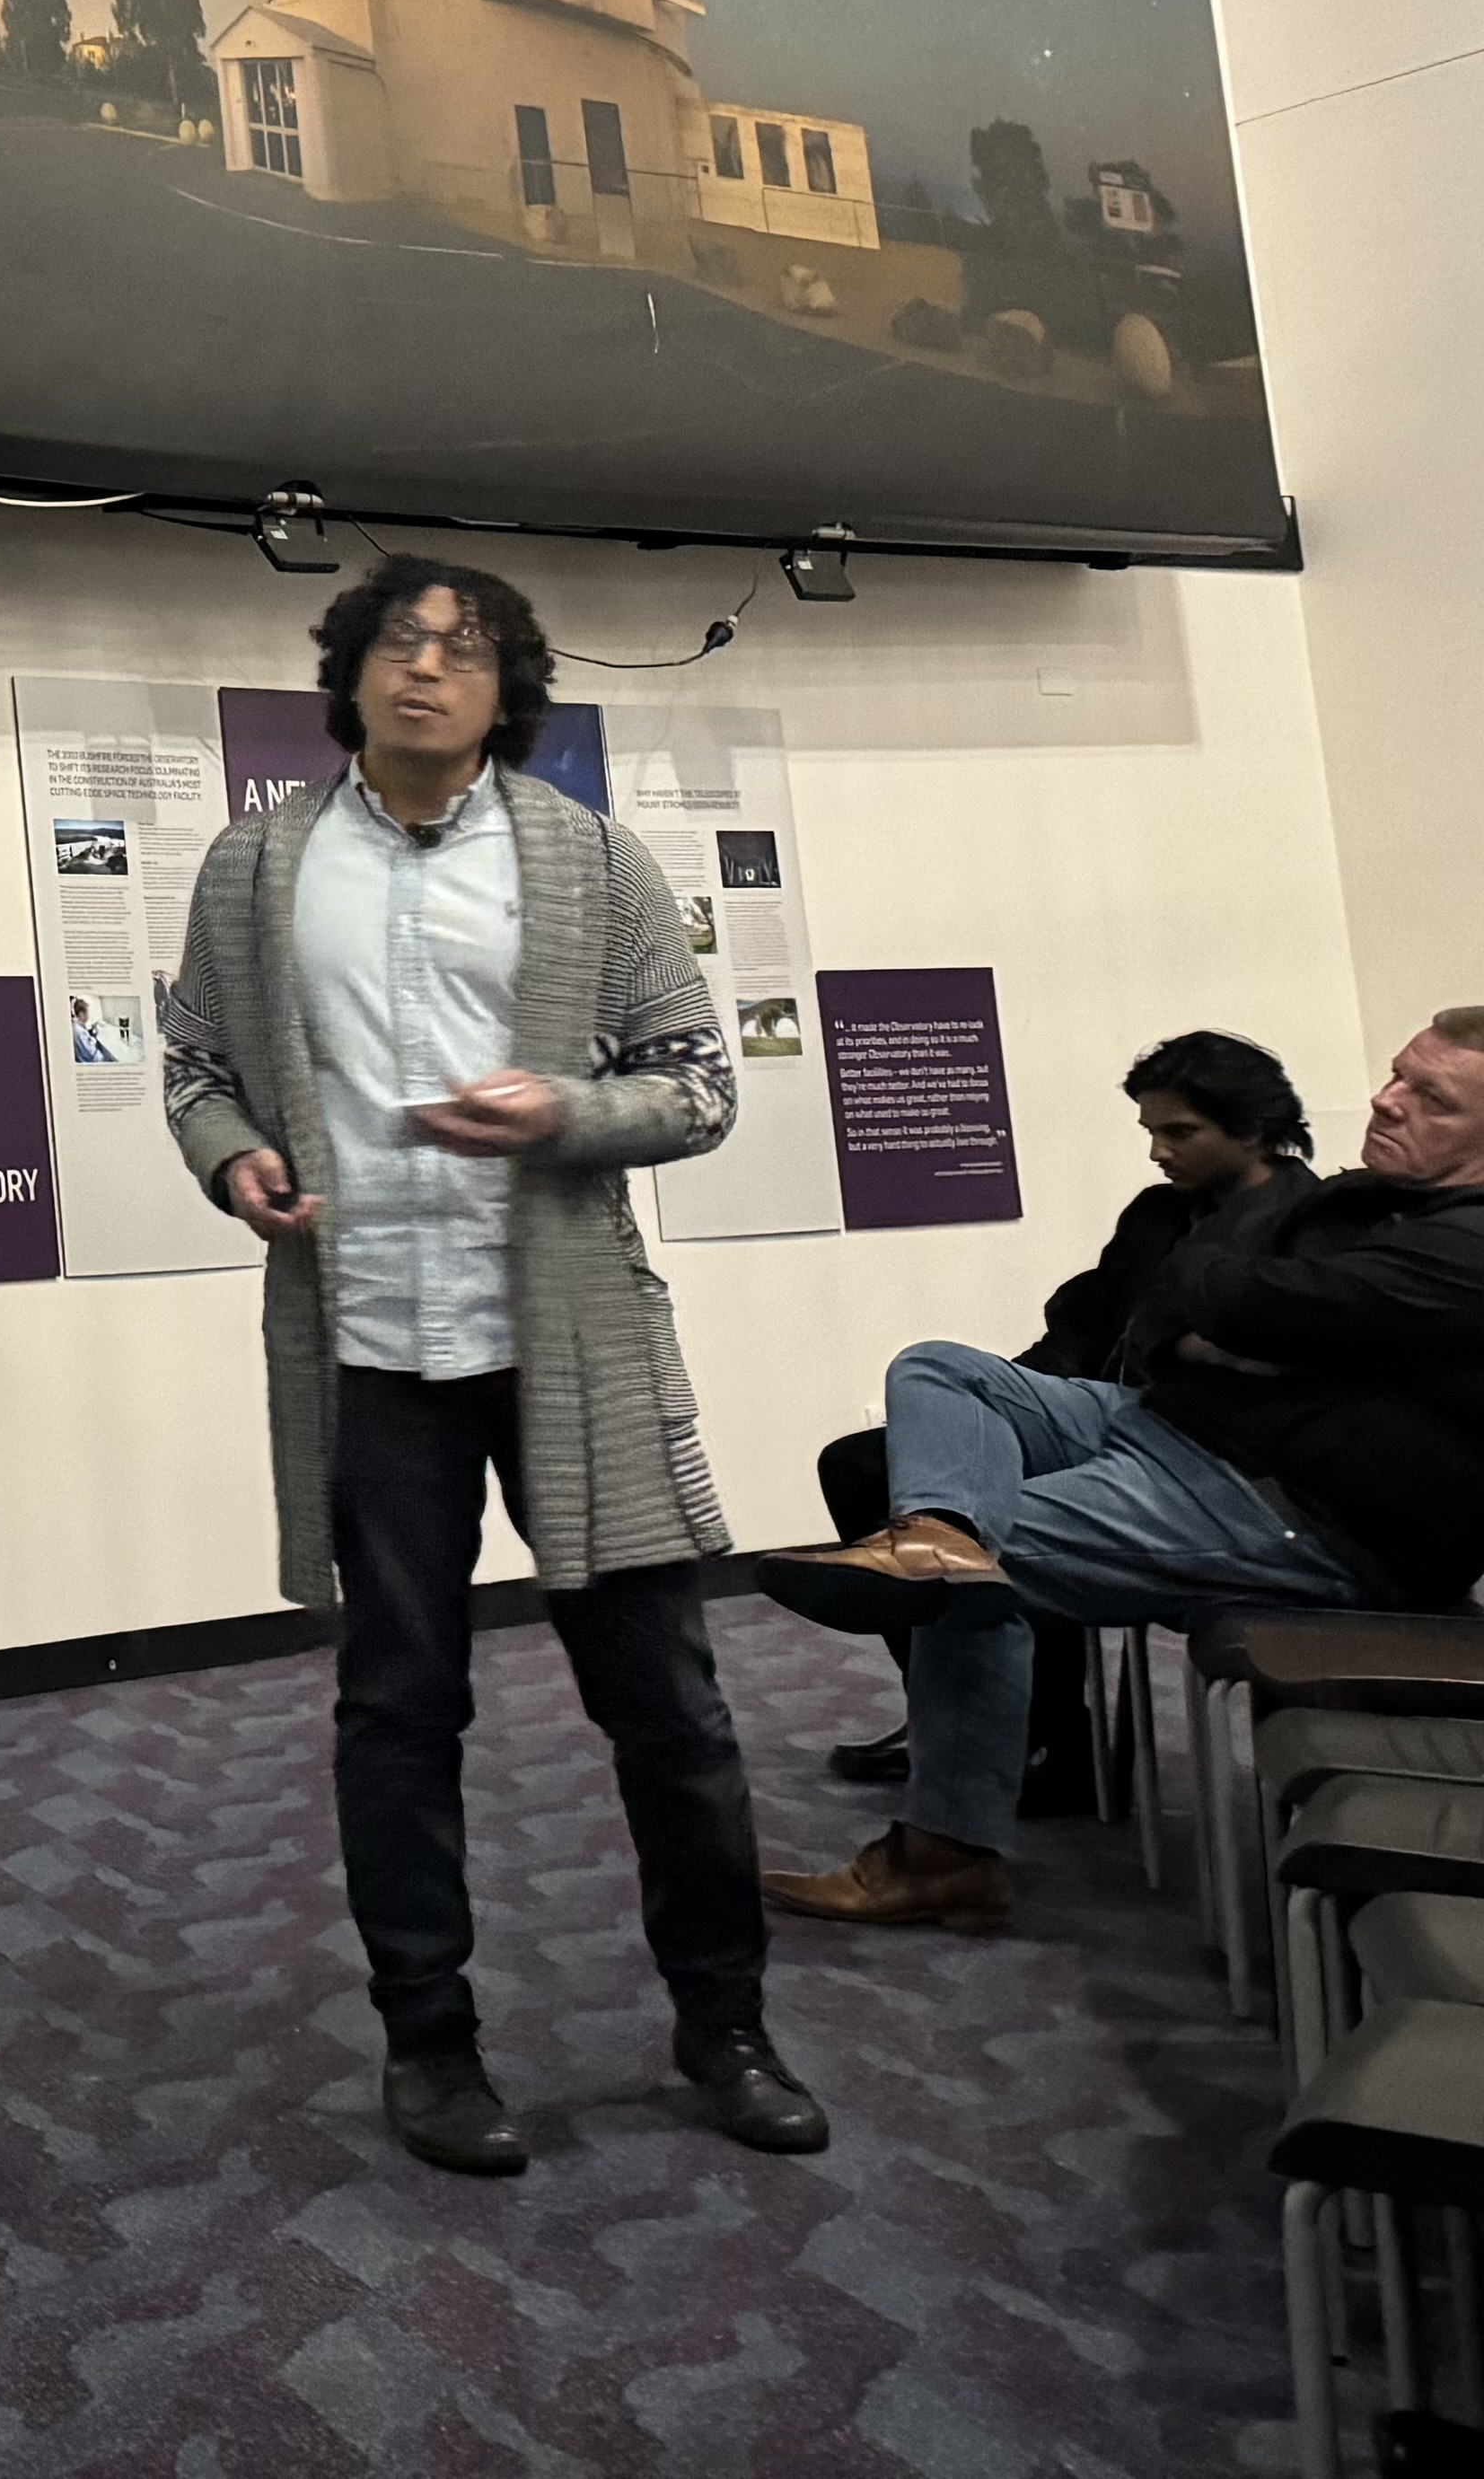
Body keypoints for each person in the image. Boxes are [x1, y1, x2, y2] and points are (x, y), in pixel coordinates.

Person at [163, 553, 824, 2176]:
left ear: (504, 688)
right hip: (371, 1345)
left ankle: (725, 2023)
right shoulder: (256, 866)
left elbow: (693, 1082)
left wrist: (559, 1112)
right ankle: (430, 2043)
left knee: (665, 1703)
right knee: (396, 1706)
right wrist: (232, 1152)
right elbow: (193, 1068)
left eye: (461, 648)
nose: (423, 667)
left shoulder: (586, 858)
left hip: (570, 1342)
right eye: (396, 638)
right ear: (349, 670)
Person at [760, 1015, 1484, 1933]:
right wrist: (1239, 1333)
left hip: (1300, 1514)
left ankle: (944, 1853)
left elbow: (1226, 1294)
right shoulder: (1372, 1204)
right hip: (1181, 1429)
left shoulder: (1460, 1247)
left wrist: (1230, 1321)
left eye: (1432, 1097)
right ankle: (937, 1530)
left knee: (964, 1578)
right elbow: (1180, 1308)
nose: (1386, 1099)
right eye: (1396, 1075)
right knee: (938, 1368)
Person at [812, 1032, 1318, 1796]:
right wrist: (1006, 1411)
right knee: (865, 1463)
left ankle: (1047, 1736)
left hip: (1191, 1451)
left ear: (1251, 1127)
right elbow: (1081, 1329)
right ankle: (958, 1709)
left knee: (994, 1519)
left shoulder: (1307, 1226)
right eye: (1150, 1131)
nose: (1157, 1151)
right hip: (1095, 1410)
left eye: (1179, 1133)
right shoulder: (1157, 1214)